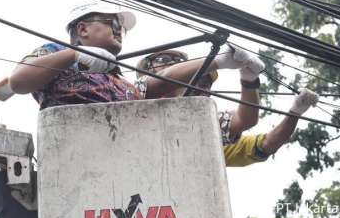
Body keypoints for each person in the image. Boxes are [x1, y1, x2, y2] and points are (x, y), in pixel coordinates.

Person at [137, 48, 319, 166]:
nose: (172, 63)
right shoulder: (126, 96)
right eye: (163, 59)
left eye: (179, 62)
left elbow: (250, 126)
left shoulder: (196, 125)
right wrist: (219, 61)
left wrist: (249, 80)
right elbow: (157, 85)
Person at [9, 2, 172, 108]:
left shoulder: (119, 80)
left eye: (121, 29)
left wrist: (198, 63)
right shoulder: (57, 53)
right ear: (83, 29)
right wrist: (75, 54)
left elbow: (163, 79)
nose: (118, 32)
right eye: (114, 24)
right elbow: (18, 82)